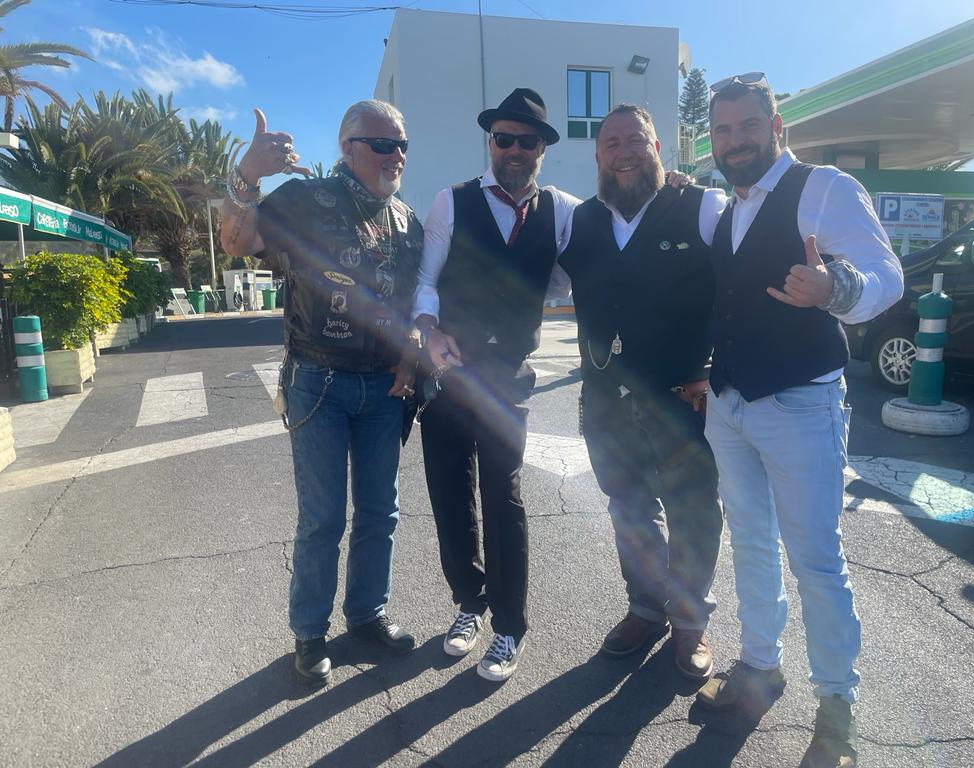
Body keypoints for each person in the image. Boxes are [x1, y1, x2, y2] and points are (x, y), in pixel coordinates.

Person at [695, 73, 903, 768]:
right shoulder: (728, 206)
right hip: (730, 404)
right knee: (751, 542)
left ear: (775, 125)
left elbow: (886, 275)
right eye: (722, 130)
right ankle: (760, 665)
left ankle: (837, 705)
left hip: (801, 403)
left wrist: (836, 288)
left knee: (816, 559)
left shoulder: (825, 188)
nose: (734, 141)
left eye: (746, 126)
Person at [220, 100, 423, 684]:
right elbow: (237, 240)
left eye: (402, 143)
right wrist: (248, 178)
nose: (396, 154)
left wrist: (410, 358)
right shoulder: (308, 201)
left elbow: (414, 303)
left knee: (380, 512)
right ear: (348, 147)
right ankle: (309, 634)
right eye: (383, 144)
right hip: (320, 380)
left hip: (385, 387)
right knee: (322, 518)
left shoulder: (406, 219)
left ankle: (366, 615)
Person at [412, 88, 578, 682]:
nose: (512, 148)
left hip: (509, 374)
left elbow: (575, 274)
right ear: (490, 142)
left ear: (542, 149)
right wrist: (428, 331)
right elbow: (425, 283)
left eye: (525, 140)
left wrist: (677, 192)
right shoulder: (451, 202)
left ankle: (510, 626)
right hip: (450, 369)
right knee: (449, 492)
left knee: (503, 496)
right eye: (502, 138)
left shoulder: (563, 211)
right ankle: (469, 603)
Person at [558, 104, 726, 681]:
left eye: (636, 140)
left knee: (693, 510)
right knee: (629, 508)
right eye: (611, 143)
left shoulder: (702, 206)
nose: (623, 151)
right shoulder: (577, 220)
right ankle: (645, 610)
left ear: (660, 147)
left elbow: (741, 289)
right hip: (605, 399)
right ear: (598, 155)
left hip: (684, 398)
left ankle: (690, 622)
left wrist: (714, 364)